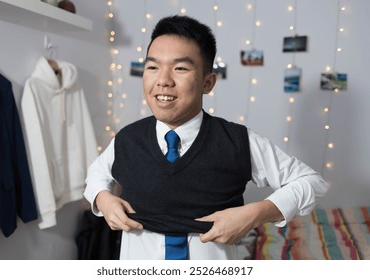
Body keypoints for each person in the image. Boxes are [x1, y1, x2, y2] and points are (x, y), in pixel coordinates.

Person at [84, 15, 328, 260]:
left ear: (207, 82)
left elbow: (311, 182)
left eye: (180, 68)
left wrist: (254, 214)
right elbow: (96, 174)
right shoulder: (127, 139)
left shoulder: (237, 141)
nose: (163, 81)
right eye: (153, 67)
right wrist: (103, 199)